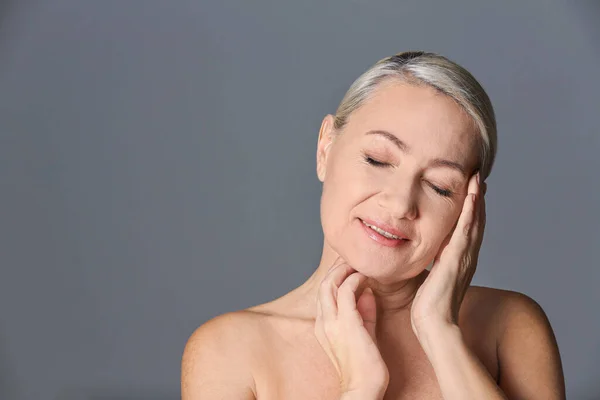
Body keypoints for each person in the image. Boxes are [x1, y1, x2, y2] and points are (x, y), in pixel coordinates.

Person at [181, 51, 566, 399]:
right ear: (325, 149)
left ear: (470, 207)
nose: (400, 204)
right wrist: (360, 389)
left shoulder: (511, 326)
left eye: (438, 186)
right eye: (378, 160)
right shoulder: (229, 351)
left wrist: (439, 332)